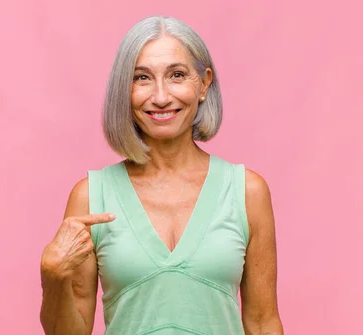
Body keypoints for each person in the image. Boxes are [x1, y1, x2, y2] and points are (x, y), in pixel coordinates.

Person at [40, 15, 283, 335]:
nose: (161, 96)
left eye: (177, 75)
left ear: (204, 83)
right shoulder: (90, 198)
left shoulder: (247, 191)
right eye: (141, 78)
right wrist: (52, 276)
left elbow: (263, 323)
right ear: (124, 91)